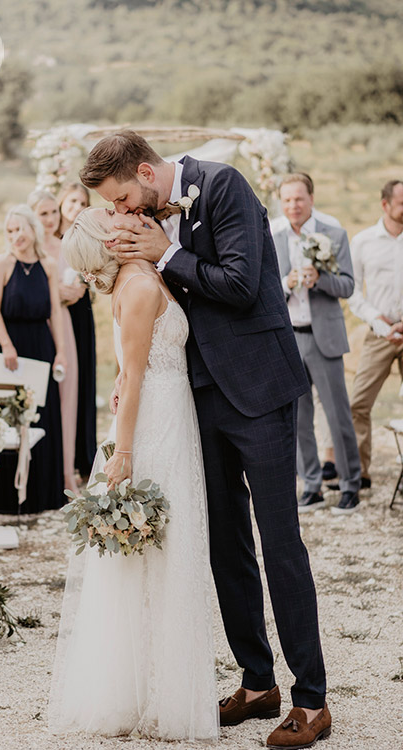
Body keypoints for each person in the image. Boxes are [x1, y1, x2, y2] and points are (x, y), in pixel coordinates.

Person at [81, 131, 329, 748]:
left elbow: (242, 285)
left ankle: (312, 700)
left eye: (123, 198)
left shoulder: (223, 186)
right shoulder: (145, 218)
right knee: (226, 545)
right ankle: (256, 681)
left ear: (145, 170)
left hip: (260, 390)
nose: (123, 213)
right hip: (198, 397)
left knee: (280, 545)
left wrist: (165, 253)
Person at [49, 207, 217, 741]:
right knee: (165, 558)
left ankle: (158, 693)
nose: (122, 215)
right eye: (112, 217)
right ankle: (163, 703)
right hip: (158, 421)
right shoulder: (140, 287)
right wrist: (122, 454)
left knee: (165, 556)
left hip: (168, 412)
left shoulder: (142, 276)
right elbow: (138, 376)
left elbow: (126, 366)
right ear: (109, 241)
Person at [273, 174, 361, 514]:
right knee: (298, 418)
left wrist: (321, 280)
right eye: (287, 200)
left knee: (339, 416)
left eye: (299, 199)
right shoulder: (273, 237)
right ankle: (311, 485)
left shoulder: (333, 234)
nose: (293, 205)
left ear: (311, 198)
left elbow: (349, 285)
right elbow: (265, 291)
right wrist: (286, 282)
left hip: (324, 338)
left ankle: (350, 485)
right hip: (290, 338)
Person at [0, 205, 68, 514]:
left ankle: (42, 495)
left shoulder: (48, 265)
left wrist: (60, 350)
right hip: (11, 347)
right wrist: (6, 345)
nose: (15, 236)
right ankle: (8, 499)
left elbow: (56, 311)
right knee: (9, 417)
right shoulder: (2, 263)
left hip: (41, 344)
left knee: (42, 415)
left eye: (20, 229)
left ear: (32, 229)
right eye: (9, 231)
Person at [349, 179, 403, 490]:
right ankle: (360, 473)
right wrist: (379, 321)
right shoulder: (364, 241)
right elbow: (352, 290)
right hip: (378, 332)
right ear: (384, 205)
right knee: (359, 403)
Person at [29, 188, 80, 493]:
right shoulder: (26, 247)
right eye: (43, 213)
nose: (50, 219)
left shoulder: (65, 246)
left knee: (67, 397)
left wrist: (76, 291)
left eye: (53, 213)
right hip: (35, 325)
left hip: (63, 323)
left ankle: (67, 473)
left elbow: (80, 279)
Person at [57, 183, 98, 478]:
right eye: (72, 201)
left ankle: (85, 455)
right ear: (61, 202)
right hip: (55, 309)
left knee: (84, 375)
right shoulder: (49, 237)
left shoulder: (89, 236)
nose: (77, 206)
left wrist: (83, 286)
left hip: (80, 310)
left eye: (83, 202)